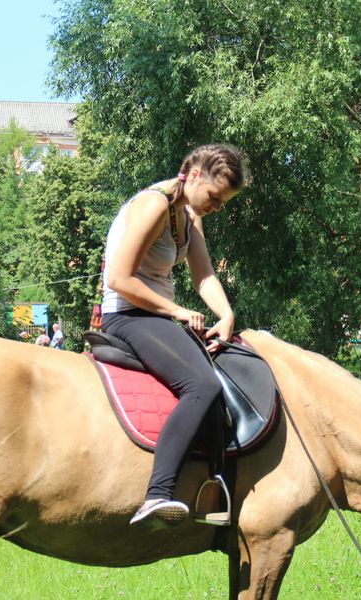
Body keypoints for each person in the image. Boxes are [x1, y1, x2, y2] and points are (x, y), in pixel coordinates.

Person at [101, 144, 248, 525]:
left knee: (225, 371)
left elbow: (204, 275)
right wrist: (177, 310)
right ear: (194, 175)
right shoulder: (154, 205)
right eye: (215, 196)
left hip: (156, 317)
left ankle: (216, 490)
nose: (217, 206)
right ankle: (157, 494)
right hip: (128, 316)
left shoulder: (189, 215)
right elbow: (118, 278)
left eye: (224, 201)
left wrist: (226, 313)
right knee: (201, 386)